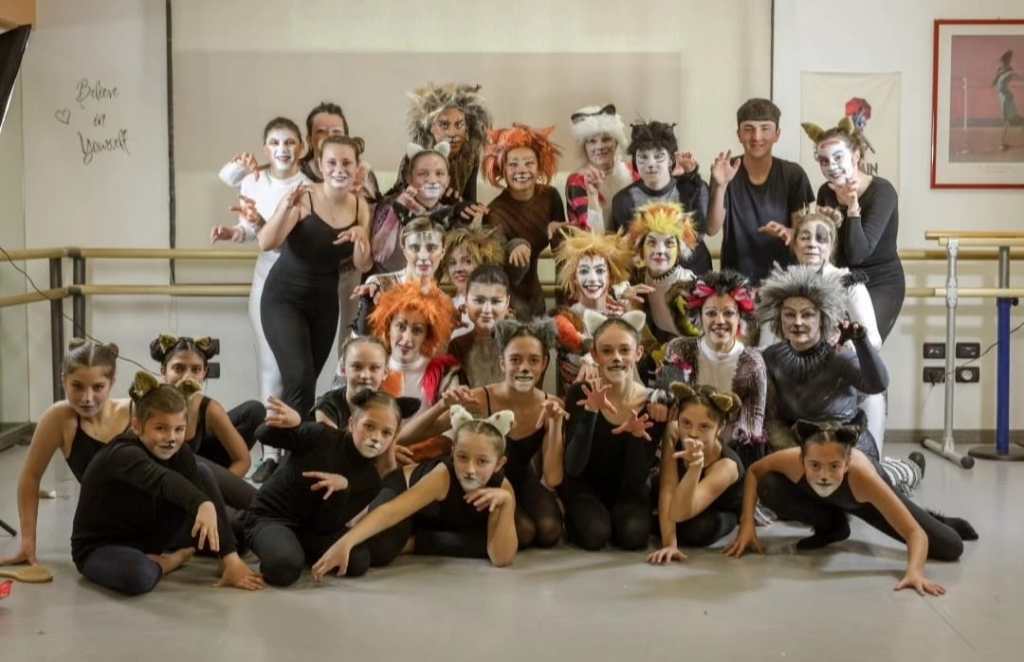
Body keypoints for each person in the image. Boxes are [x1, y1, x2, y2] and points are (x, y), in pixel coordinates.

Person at [724, 417, 978, 597]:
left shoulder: (864, 478)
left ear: (847, 464)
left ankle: (915, 475)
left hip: (867, 500)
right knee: (769, 484)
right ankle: (834, 526)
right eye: (814, 465)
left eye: (834, 466)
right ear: (802, 460)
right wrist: (747, 524)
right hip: (831, 501)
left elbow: (915, 533)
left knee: (950, 546)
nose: (824, 475)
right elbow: (754, 472)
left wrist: (914, 571)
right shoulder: (792, 461)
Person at [71, 373, 263, 595]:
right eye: (161, 428)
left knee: (232, 530)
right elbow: (163, 480)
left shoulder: (180, 451)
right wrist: (203, 503)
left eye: (178, 429)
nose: (171, 438)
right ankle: (170, 561)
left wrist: (230, 558)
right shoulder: (123, 453)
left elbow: (195, 484)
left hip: (149, 533)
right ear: (137, 425)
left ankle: (227, 561)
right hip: (102, 546)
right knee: (140, 576)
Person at [398, 320, 567, 548]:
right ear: (502, 363)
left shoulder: (552, 404)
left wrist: (555, 423)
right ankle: (425, 539)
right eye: (515, 360)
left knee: (550, 530)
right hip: (483, 478)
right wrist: (441, 406)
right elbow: (406, 437)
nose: (524, 368)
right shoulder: (480, 398)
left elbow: (553, 478)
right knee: (523, 533)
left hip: (522, 478)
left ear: (544, 363)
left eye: (533, 360)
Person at [757, 266, 922, 492]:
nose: (797, 322)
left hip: (847, 446)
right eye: (789, 314)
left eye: (807, 314)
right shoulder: (771, 357)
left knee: (874, 485)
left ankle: (909, 468)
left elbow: (878, 384)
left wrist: (861, 341)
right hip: (800, 448)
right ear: (779, 317)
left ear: (822, 318)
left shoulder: (839, 355)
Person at [310, 405, 518, 579]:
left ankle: (416, 541)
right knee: (381, 550)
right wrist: (345, 542)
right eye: (462, 457)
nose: (470, 469)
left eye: (482, 461)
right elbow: (391, 511)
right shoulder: (443, 476)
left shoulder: (502, 488)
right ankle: (322, 536)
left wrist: (507, 503)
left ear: (499, 464)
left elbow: (501, 558)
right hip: (403, 490)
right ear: (453, 452)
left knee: (503, 540)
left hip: (437, 520)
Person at [210, 117, 309, 481]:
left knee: (300, 371)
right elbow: (250, 231)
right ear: (266, 147)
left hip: (302, 279)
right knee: (270, 366)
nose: (283, 148)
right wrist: (230, 233)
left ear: (302, 147)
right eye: (275, 142)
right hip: (268, 280)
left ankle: (294, 446)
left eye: (290, 142)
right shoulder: (253, 181)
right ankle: (269, 452)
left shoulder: (309, 185)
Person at [259, 135, 372, 419]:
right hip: (283, 299)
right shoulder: (304, 197)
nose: (339, 169)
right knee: (299, 379)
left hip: (324, 304)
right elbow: (266, 242)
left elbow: (363, 263)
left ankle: (286, 441)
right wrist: (284, 208)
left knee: (306, 384)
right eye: (332, 162)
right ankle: (287, 446)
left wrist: (361, 238)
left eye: (346, 163)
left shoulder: (360, 206)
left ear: (357, 167)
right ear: (320, 165)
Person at [241, 390, 403, 586]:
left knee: (358, 560)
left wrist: (342, 489)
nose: (376, 438)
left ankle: (290, 547)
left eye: (386, 433)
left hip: (312, 530)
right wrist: (294, 425)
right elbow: (262, 434)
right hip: (272, 516)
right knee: (284, 568)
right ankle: (249, 530)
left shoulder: (372, 481)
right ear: (352, 423)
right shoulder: (322, 435)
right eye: (369, 426)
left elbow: (327, 525)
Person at [760, 205, 887, 450]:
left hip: (836, 370)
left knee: (873, 395)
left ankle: (873, 459)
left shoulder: (849, 283)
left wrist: (845, 345)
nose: (812, 244)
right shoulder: (780, 287)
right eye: (805, 237)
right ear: (794, 243)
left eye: (821, 238)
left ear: (832, 246)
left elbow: (873, 339)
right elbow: (766, 341)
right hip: (793, 371)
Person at [0, 340, 129, 568]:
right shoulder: (59, 418)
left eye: (98, 387)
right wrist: (27, 543)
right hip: (107, 531)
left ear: (112, 382)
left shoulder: (135, 410)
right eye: (77, 386)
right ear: (63, 380)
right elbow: (30, 477)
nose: (87, 398)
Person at [563, 313, 664, 551]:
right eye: (607, 351)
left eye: (624, 350)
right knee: (595, 535)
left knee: (633, 536)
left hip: (629, 491)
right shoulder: (581, 393)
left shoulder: (653, 403)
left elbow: (635, 479)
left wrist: (635, 437)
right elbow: (573, 467)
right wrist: (590, 412)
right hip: (586, 488)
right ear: (595, 355)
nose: (616, 358)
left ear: (638, 353)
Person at [799, 118, 904, 341]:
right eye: (824, 161)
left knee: (861, 343)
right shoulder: (826, 192)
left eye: (838, 158)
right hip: (841, 279)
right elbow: (829, 248)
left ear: (856, 156)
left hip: (879, 281)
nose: (831, 166)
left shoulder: (882, 192)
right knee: (826, 342)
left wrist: (852, 208)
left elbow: (858, 254)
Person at [656, 270, 767, 467]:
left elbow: (752, 428)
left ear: (740, 317)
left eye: (728, 313)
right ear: (699, 316)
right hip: (682, 445)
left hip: (728, 456)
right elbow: (667, 399)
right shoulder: (680, 349)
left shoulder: (752, 363)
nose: (720, 321)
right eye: (711, 313)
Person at [707, 98, 814, 284]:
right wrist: (721, 185)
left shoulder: (793, 174)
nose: (756, 137)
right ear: (739, 134)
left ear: (777, 134)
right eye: (748, 129)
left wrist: (789, 232)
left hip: (785, 282)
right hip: (735, 282)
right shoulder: (726, 170)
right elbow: (711, 228)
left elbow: (803, 233)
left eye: (765, 128)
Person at [149, 334, 259, 506]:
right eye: (178, 368)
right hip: (165, 486)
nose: (187, 377)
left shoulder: (210, 408)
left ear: (204, 372)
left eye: (196, 370)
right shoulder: (147, 406)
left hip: (202, 477)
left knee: (258, 505)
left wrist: (215, 493)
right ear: (163, 371)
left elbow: (242, 460)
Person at [649, 384, 745, 564]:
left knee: (698, 529)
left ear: (720, 427)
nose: (693, 433)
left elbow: (678, 513)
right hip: (681, 497)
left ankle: (659, 523)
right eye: (686, 423)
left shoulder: (727, 466)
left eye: (704, 427)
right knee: (650, 492)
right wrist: (670, 544)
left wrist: (695, 467)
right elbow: (668, 488)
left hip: (717, 510)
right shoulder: (673, 432)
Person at [482, 124, 566, 320]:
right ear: (502, 169)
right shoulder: (495, 211)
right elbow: (495, 266)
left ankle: (565, 309)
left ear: (539, 166)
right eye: (513, 164)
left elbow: (561, 254)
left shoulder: (550, 196)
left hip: (536, 290)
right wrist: (515, 246)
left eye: (529, 163)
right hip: (507, 290)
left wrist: (560, 232)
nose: (521, 170)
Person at [611, 121, 710, 275]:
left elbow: (700, 233)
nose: (650, 164)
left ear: (671, 160)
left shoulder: (694, 187)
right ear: (635, 161)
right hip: (647, 278)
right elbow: (625, 249)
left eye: (658, 156)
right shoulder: (623, 199)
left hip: (694, 273)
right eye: (643, 157)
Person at [371, 142, 472, 274]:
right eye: (423, 174)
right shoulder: (389, 208)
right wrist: (394, 213)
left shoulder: (450, 213)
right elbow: (378, 255)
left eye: (439, 173)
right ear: (409, 178)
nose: (432, 180)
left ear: (448, 180)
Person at [551, 228, 633, 388]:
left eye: (600, 271)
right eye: (584, 271)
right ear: (574, 278)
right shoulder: (565, 318)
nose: (592, 278)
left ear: (610, 276)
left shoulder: (622, 313)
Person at [387, 82, 493, 205]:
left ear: (467, 128)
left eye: (459, 125)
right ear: (430, 127)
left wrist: (468, 208)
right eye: (444, 125)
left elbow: (469, 201)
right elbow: (403, 204)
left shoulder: (470, 155)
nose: (452, 133)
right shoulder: (416, 157)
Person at [368, 281, 457, 417]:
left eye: (417, 330)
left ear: (427, 336)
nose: (407, 339)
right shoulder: (370, 367)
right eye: (401, 326)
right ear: (388, 327)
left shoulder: (443, 373)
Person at [622, 201, 701, 343]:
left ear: (679, 251)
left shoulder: (687, 283)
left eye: (669, 243)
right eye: (652, 243)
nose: (660, 251)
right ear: (641, 249)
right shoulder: (640, 276)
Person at [354, 217, 447, 335]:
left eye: (432, 248)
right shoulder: (381, 285)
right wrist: (368, 305)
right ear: (404, 249)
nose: (423, 256)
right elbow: (357, 341)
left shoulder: (445, 300)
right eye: (414, 248)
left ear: (443, 251)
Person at [432, 265, 513, 395]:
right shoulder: (458, 346)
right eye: (479, 301)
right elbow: (449, 392)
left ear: (507, 302)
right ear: (466, 300)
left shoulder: (518, 345)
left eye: (495, 301)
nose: (487, 310)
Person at [564, 104, 635, 233]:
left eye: (606, 139)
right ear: (584, 147)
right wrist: (593, 196)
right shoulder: (577, 181)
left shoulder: (632, 172)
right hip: (593, 243)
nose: (600, 146)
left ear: (616, 142)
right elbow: (590, 234)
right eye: (592, 141)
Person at [439, 222, 506, 339]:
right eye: (452, 263)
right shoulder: (442, 306)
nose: (458, 269)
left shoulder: (496, 308)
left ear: (483, 263)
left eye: (467, 261)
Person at [994, 50, 1023, 150]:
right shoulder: (1000, 69)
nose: (1005, 62)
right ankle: (1003, 143)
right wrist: (998, 75)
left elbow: (1017, 76)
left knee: (1008, 119)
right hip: (1002, 96)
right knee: (1011, 119)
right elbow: (994, 83)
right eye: (1004, 60)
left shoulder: (1010, 70)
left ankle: (1002, 143)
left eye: (1007, 60)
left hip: (1007, 97)